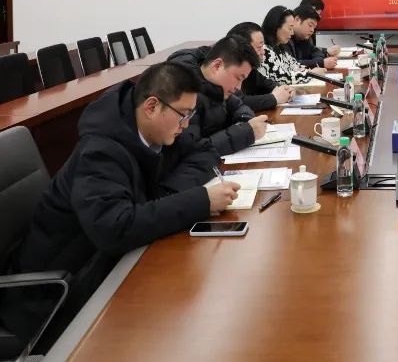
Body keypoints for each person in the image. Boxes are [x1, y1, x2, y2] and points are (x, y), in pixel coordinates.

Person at [0, 63, 240, 350]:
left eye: (191, 115)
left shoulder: (153, 131)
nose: (186, 125)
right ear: (152, 107)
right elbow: (114, 229)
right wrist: (200, 200)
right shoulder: (100, 152)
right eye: (183, 115)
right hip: (53, 297)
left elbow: (203, 151)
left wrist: (166, 197)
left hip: (102, 266)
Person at [168, 35, 267, 156]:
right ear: (217, 66)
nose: (239, 87)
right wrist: (244, 133)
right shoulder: (185, 93)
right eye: (238, 78)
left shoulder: (217, 86)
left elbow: (239, 107)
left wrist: (245, 121)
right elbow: (191, 151)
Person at [227, 22, 294, 111]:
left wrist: (286, 90)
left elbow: (268, 84)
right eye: (259, 47)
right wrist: (274, 98)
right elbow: (237, 102)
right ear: (243, 49)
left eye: (263, 46)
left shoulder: (251, 69)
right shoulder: (227, 70)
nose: (263, 52)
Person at [261, 5, 327, 86]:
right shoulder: (263, 50)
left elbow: (296, 66)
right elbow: (281, 77)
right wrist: (311, 74)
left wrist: (309, 71)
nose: (292, 33)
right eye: (290, 28)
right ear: (276, 26)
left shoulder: (279, 48)